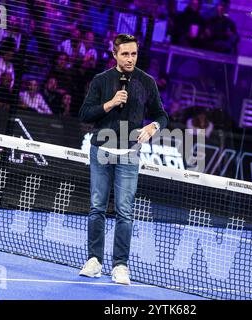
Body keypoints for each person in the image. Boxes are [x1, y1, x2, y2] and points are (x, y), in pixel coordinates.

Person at [78, 34, 168, 285]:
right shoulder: (100, 81)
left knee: (124, 213)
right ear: (115, 54)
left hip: (129, 153)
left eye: (134, 54)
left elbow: (162, 115)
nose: (130, 59)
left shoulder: (147, 82)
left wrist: (152, 127)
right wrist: (110, 103)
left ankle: (120, 266)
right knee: (97, 208)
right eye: (125, 54)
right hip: (101, 151)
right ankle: (94, 260)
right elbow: (84, 114)